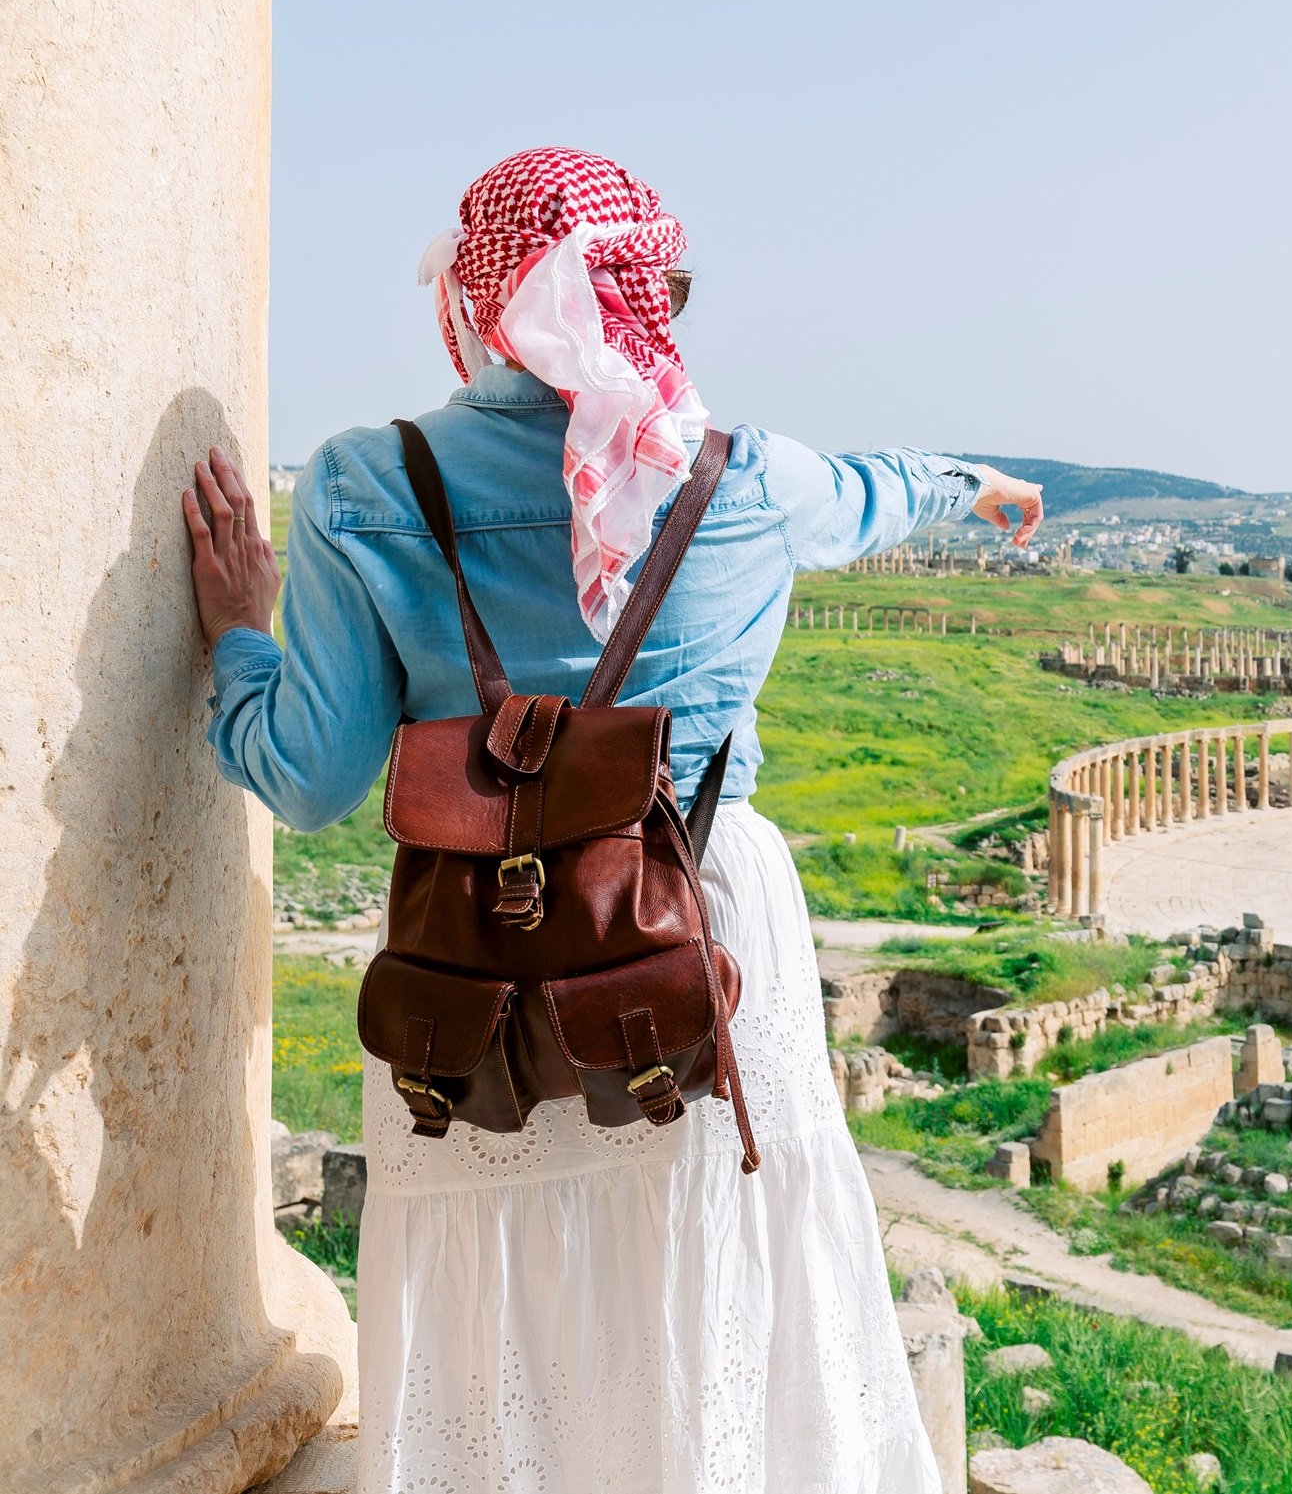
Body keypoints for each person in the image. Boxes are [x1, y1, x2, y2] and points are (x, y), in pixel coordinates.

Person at [181, 148, 1046, 1492]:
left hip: (477, 957)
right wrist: (978, 487)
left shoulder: (366, 484)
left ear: (479, 296)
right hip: (694, 931)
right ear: (648, 295)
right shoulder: (742, 479)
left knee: (504, 1315)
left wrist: (239, 636)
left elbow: (306, 777)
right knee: (712, 1276)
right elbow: (874, 491)